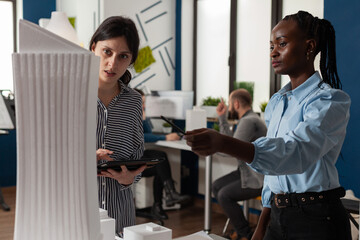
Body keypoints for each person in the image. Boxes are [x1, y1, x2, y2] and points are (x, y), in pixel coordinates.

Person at [185, 11, 351, 240]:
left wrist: (222, 142)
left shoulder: (329, 101)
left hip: (317, 218)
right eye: (271, 46)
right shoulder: (276, 102)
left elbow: (295, 152)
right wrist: (262, 225)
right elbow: (274, 176)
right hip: (278, 216)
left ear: (309, 46)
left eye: (282, 44)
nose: (273, 52)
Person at [90, 16, 146, 237]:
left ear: (130, 60)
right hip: (80, 208)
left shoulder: (133, 100)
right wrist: (86, 161)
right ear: (94, 47)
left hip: (119, 212)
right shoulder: (70, 95)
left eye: (123, 56)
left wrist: (130, 178)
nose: (113, 64)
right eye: (107, 52)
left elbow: (137, 154)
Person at [213, 89, 266, 240]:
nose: (230, 108)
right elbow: (229, 142)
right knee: (216, 186)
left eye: (229, 104)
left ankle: (246, 235)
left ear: (236, 103)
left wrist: (208, 148)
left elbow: (230, 150)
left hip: (257, 178)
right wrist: (222, 117)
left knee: (224, 195)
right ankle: (241, 230)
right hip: (246, 171)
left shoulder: (248, 122)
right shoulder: (249, 118)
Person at [135, 88, 191, 220]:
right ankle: (166, 198)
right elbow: (141, 137)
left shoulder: (140, 114)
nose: (143, 105)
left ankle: (164, 200)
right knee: (161, 163)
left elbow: (150, 131)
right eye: (141, 103)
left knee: (161, 160)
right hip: (130, 160)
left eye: (144, 103)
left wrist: (143, 116)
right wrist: (166, 138)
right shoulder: (126, 116)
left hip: (138, 155)